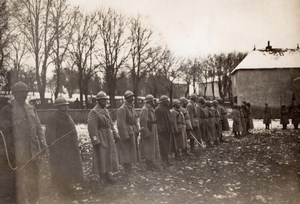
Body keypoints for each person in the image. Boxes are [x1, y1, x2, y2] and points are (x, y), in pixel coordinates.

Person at [0, 82, 46, 204]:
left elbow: (38, 128)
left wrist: (43, 144)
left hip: (32, 151)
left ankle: (33, 200)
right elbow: (3, 131)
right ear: (14, 94)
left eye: (25, 93)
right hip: (16, 153)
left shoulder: (31, 108)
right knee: (17, 181)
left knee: (33, 179)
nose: (23, 96)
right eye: (20, 93)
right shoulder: (7, 110)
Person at [45, 96, 83, 201]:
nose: (66, 107)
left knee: (70, 170)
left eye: (66, 105)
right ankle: (64, 192)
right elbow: (50, 136)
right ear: (58, 107)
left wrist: (76, 143)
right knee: (62, 172)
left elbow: (73, 131)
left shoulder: (68, 117)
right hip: (61, 151)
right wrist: (55, 150)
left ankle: (70, 189)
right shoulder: (53, 118)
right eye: (63, 106)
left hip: (71, 149)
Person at [88, 91, 120, 184]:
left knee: (108, 156)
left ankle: (107, 175)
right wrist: (95, 140)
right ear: (98, 101)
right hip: (100, 136)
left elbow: (110, 124)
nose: (105, 102)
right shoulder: (93, 111)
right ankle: (102, 177)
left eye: (106, 100)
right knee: (101, 156)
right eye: (103, 100)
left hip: (108, 136)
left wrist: (115, 134)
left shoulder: (105, 110)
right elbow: (92, 128)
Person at [117, 91, 140, 175]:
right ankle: (127, 168)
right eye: (130, 97)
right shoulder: (122, 109)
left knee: (131, 150)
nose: (132, 98)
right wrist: (124, 135)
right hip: (127, 131)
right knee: (126, 150)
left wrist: (137, 129)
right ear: (126, 99)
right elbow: (120, 123)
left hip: (132, 130)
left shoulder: (132, 107)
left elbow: (135, 119)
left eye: (133, 96)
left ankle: (129, 167)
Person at [139, 94, 161, 171]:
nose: (153, 102)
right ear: (149, 101)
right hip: (149, 130)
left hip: (152, 129)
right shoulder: (145, 109)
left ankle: (151, 163)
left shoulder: (150, 108)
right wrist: (146, 132)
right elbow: (143, 121)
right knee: (148, 148)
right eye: (152, 101)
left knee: (152, 147)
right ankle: (148, 164)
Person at [155, 95, 177, 166]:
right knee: (163, 146)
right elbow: (159, 122)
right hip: (162, 131)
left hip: (167, 130)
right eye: (167, 101)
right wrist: (162, 130)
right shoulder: (158, 109)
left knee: (167, 146)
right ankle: (164, 161)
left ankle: (166, 160)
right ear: (163, 102)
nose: (168, 103)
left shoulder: (166, 109)